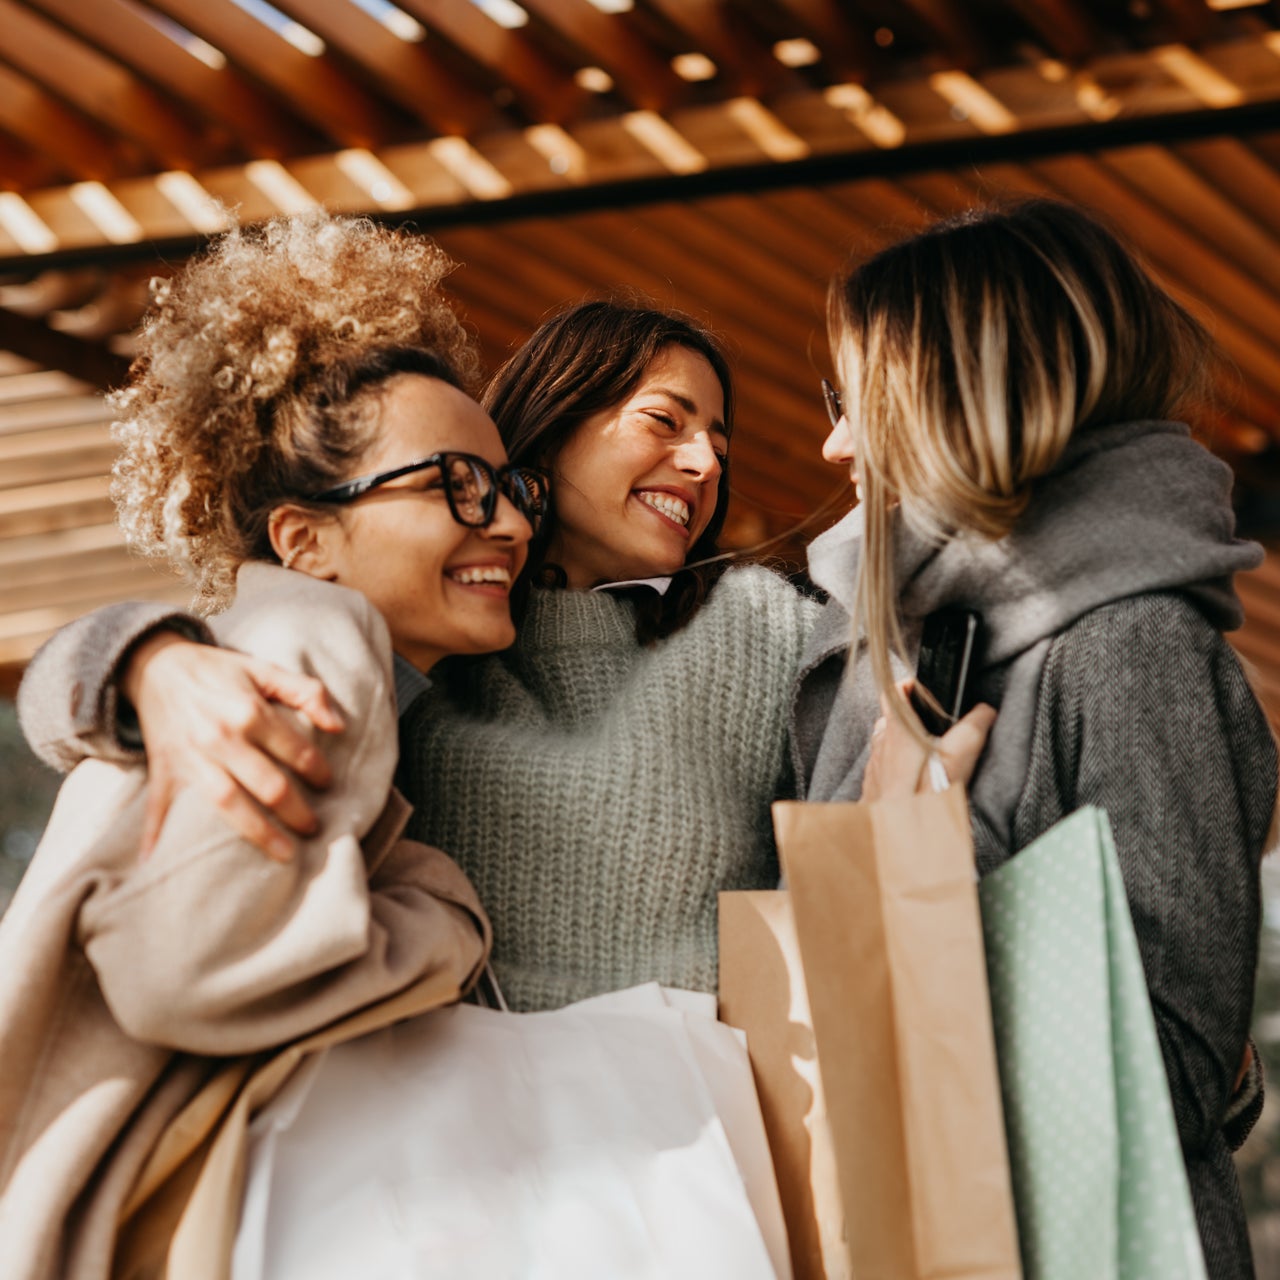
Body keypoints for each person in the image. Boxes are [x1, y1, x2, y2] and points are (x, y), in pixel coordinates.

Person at [0, 210, 554, 1279]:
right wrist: (439, 917)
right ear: (307, 541)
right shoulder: (312, 637)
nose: (512, 524)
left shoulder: (234, 656)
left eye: (512, 488)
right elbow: (178, 969)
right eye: (456, 485)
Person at [17, 299, 821, 1012]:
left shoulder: (759, 623)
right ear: (554, 421)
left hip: (697, 1120)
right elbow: (119, 700)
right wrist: (145, 660)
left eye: (720, 440)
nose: (707, 463)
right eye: (664, 421)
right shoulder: (430, 638)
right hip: (441, 1128)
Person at [792, 198, 1277, 1277]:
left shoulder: (1127, 642)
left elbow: (1179, 1073)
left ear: (967, 392)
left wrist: (922, 862)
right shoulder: (892, 643)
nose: (830, 439)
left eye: (852, 397)